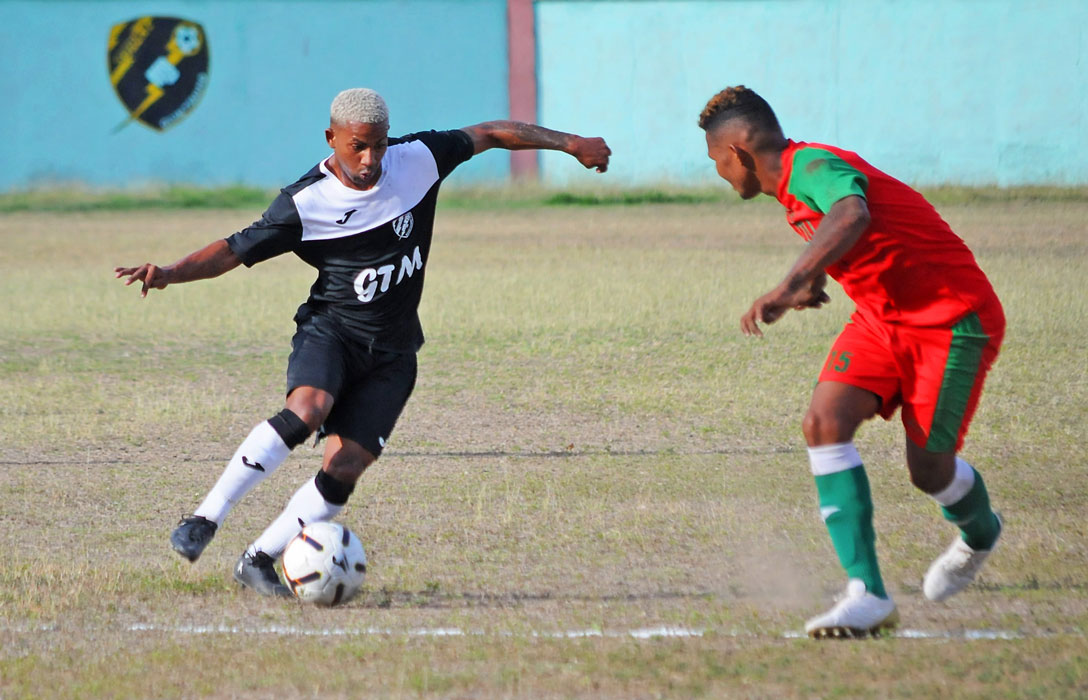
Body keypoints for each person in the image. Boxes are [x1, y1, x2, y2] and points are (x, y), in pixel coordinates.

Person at [116, 88, 611, 597]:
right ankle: (205, 518)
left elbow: (488, 133)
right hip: (332, 332)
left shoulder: (417, 159)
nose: (370, 159)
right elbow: (234, 250)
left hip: (394, 352)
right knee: (307, 409)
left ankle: (259, 559)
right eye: (357, 146)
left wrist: (570, 143)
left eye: (378, 144)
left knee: (345, 466)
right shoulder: (305, 202)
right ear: (332, 138)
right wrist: (171, 273)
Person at [699, 86, 1005, 638]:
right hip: (881, 319)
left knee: (929, 472)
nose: (719, 172)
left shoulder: (811, 164)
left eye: (717, 159)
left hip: (952, 319)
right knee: (824, 423)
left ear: (739, 151)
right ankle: (867, 594)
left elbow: (852, 212)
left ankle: (979, 531)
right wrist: (812, 281)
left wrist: (788, 282)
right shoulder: (791, 191)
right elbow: (845, 232)